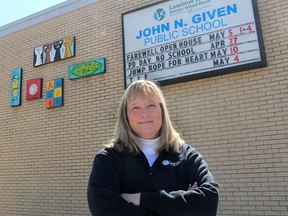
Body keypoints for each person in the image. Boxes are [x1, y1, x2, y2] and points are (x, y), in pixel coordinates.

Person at [87, 80, 219, 216]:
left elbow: (208, 203)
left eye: (151, 105)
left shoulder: (187, 155)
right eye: (135, 108)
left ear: (162, 110)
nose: (144, 113)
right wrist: (183, 205)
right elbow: (104, 211)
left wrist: (140, 198)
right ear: (125, 116)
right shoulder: (108, 159)